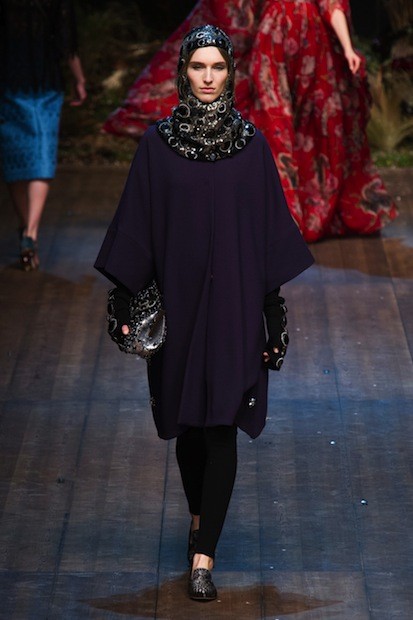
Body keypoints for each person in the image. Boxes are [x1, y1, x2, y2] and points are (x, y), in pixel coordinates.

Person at [95, 25, 313, 601]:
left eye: (218, 67)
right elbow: (138, 225)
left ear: (231, 72)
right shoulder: (157, 146)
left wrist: (272, 315)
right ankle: (199, 518)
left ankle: (203, 556)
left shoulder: (251, 147)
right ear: (183, 71)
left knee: (221, 425)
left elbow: (267, 236)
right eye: (199, 67)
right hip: (180, 308)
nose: (209, 77)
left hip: (236, 308)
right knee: (188, 427)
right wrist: (123, 297)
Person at [102, 0, 397, 242]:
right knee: (277, 126)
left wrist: (347, 47)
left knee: (312, 126)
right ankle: (281, 218)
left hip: (309, 46)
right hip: (276, 44)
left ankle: (297, 215)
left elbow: (330, 3)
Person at [0, 0, 87, 271]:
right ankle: (31, 232)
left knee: (15, 159)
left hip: (8, 83)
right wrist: (79, 79)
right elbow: (67, 43)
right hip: (45, 82)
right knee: (42, 155)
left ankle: (25, 228)